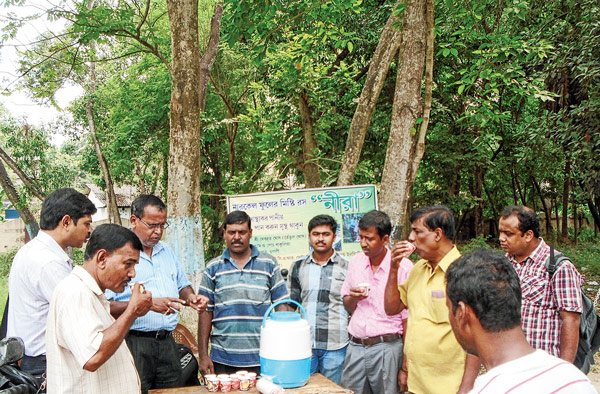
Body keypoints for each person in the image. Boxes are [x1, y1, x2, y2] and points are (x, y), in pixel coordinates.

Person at [445, 248, 596, 393]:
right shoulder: (576, 381)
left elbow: (571, 319)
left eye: (448, 308)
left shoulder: (488, 390)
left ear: (462, 315)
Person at [106, 195, 208, 393]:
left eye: (162, 225)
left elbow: (183, 286)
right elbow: (104, 305)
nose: (158, 231)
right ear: (134, 220)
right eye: (152, 225)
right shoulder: (116, 252)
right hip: (132, 342)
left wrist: (191, 298)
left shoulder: (167, 251)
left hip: (167, 344)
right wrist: (146, 305)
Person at [46, 224, 154, 393]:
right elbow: (93, 356)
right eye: (128, 264)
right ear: (102, 258)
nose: (133, 274)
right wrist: (132, 311)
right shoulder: (75, 293)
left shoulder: (92, 294)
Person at [384, 205, 480, 394]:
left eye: (417, 231)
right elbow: (391, 308)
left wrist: (466, 388)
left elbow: (476, 336)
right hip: (416, 383)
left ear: (437, 234)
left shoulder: (463, 273)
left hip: (449, 387)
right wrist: (394, 267)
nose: (411, 238)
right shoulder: (419, 268)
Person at [7, 188, 96, 379]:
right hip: (43, 362)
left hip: (29, 357)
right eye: (86, 223)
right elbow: (80, 310)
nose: (89, 231)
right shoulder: (49, 262)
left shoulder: (32, 250)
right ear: (66, 222)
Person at [198, 210, 291, 375]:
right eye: (231, 232)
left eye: (242, 232)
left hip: (263, 355)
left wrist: (282, 348)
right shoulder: (213, 267)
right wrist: (204, 355)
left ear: (250, 233)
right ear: (224, 234)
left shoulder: (268, 263)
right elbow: (205, 312)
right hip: (222, 358)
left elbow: (281, 306)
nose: (236, 237)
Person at [340, 210, 413, 394]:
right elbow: (347, 305)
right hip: (356, 347)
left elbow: (408, 321)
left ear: (385, 239)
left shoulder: (403, 267)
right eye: (361, 237)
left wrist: (405, 366)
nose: (364, 244)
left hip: (387, 348)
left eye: (370, 239)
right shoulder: (356, 262)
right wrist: (354, 297)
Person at [498, 206, 582, 362]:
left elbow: (571, 320)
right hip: (509, 364)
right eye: (501, 232)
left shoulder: (558, 266)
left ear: (528, 235)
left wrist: (565, 370)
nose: (501, 238)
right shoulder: (505, 263)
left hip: (543, 368)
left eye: (508, 233)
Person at [289, 214, 349, 384]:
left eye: (326, 234)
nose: (320, 239)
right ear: (309, 236)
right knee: (303, 387)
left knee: (333, 389)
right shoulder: (298, 266)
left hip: (336, 344)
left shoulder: (348, 266)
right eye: (316, 234)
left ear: (334, 237)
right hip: (305, 344)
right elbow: (291, 303)